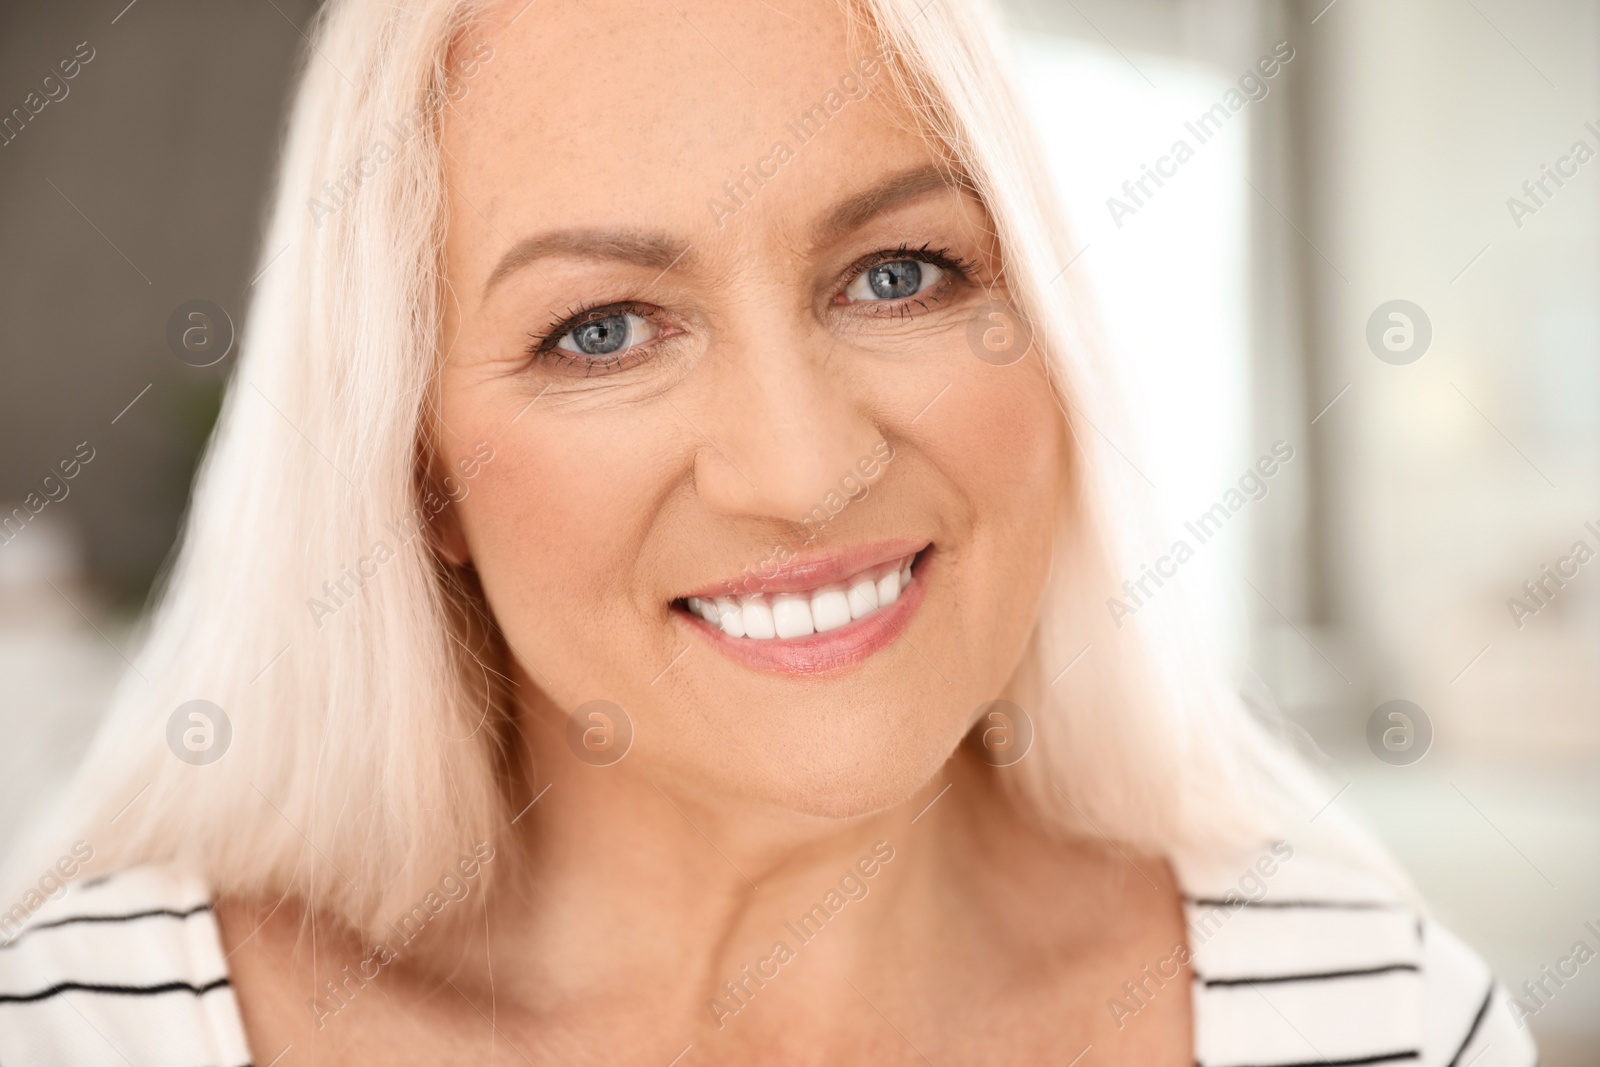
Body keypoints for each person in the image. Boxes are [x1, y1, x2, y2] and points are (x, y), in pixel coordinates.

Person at [0, 0, 1535, 1063]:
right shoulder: (93, 1032)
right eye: (602, 329)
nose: (802, 472)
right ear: (422, 478)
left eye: (898, 275)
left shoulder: (1376, 1017)